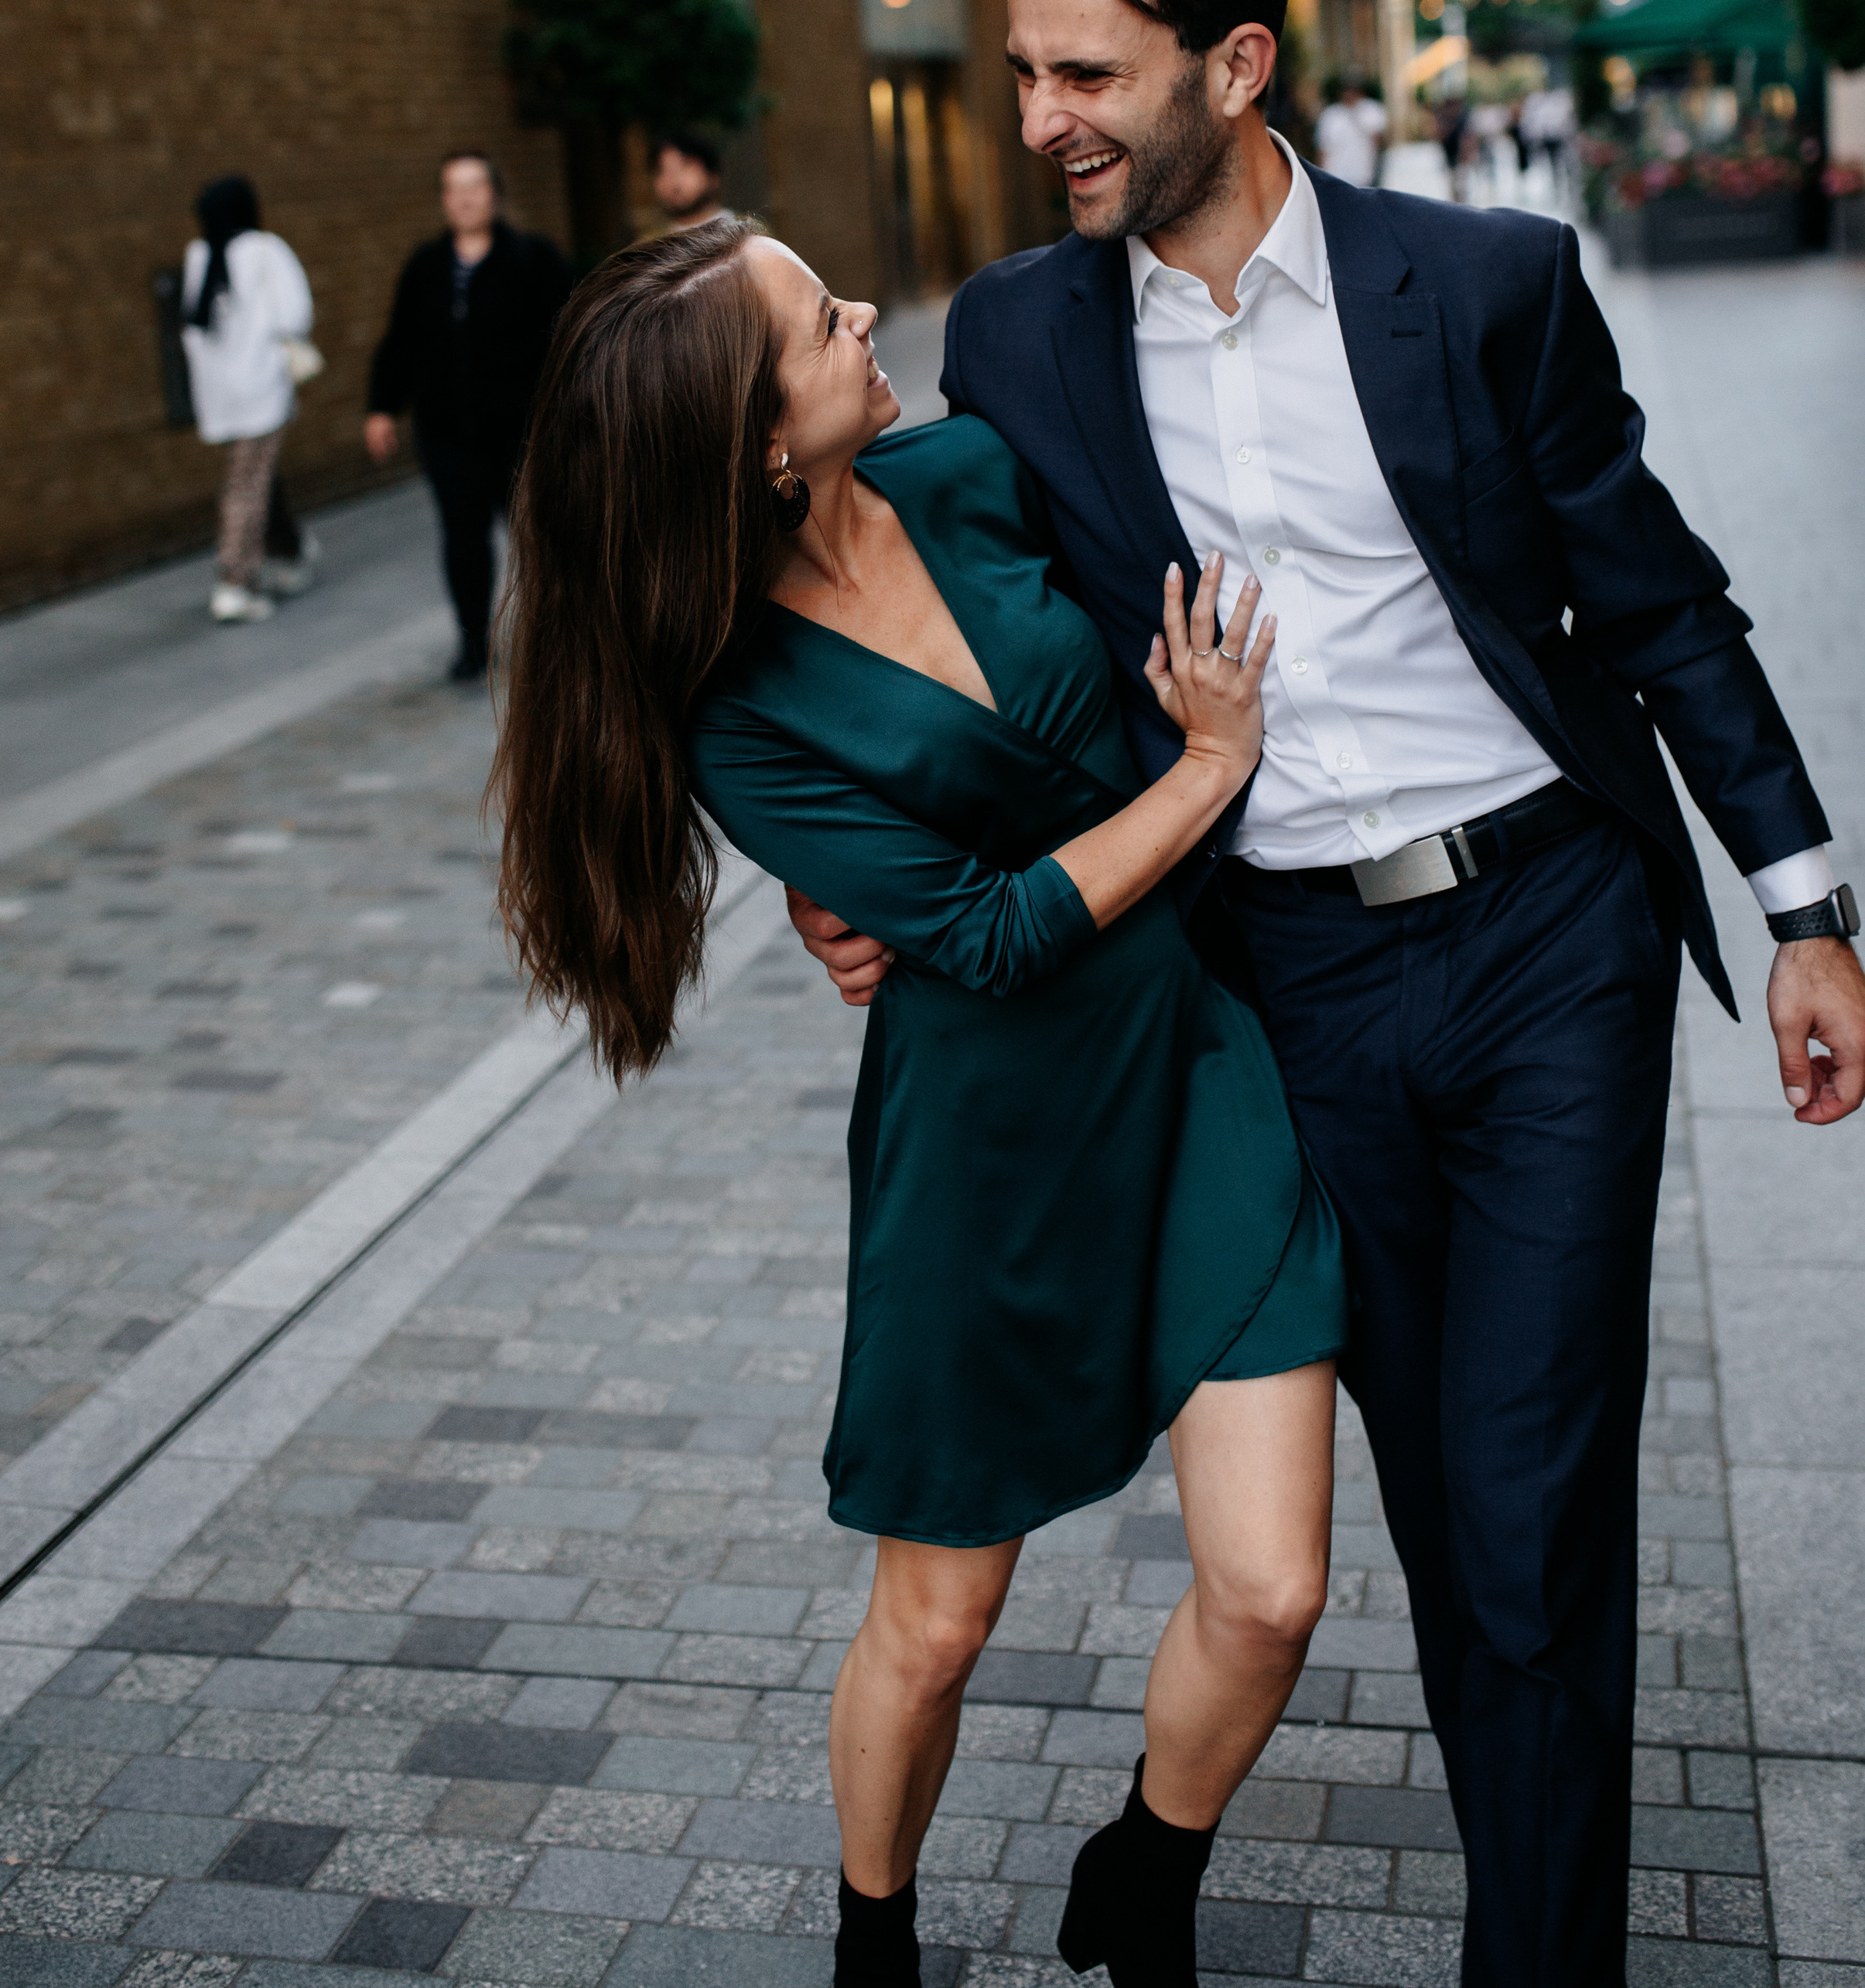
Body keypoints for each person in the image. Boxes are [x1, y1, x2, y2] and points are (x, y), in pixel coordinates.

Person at [791, 0, 1865, 1988]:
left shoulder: (1480, 284)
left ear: (1237, 63)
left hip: (1544, 936)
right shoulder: (1018, 334)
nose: (1041, 121)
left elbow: (1659, 603)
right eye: (1023, 72)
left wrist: (1803, 906)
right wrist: (848, 866)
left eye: (1088, 76)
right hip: (1278, 982)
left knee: (1532, 1491)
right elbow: (920, 604)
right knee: (1454, 1506)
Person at [492, 213, 1346, 1988]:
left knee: (1270, 1590)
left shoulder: (964, 472)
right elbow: (987, 933)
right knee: (941, 1619)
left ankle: (1147, 1871)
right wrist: (1208, 771)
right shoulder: (735, 710)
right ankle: (869, 1935)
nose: (866, 315)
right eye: (821, 321)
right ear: (753, 440)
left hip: (1190, 1062)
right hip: (985, 1147)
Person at [365, 152, 572, 681]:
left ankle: (558, 638)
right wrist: (382, 407)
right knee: (462, 538)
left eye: (474, 185)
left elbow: (569, 338)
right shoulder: (426, 267)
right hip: (448, 432)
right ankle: (471, 641)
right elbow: (401, 341)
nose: (464, 198)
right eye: (453, 188)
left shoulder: (533, 259)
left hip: (521, 432)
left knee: (537, 538)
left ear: (494, 193)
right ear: (444, 199)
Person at [179, 176, 316, 626]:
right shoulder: (264, 249)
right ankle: (235, 583)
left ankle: (291, 551)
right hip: (262, 388)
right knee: (248, 485)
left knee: (258, 475)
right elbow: (295, 314)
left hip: (221, 395)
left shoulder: (198, 255)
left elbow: (192, 330)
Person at [1312, 72, 1385, 186]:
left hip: (1363, 177)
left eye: (1354, 90)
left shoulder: (1372, 110)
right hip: (1335, 176)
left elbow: (1378, 142)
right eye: (1347, 89)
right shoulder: (1330, 115)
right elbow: (1323, 149)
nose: (1350, 94)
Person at [648, 127, 725, 228]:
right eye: (662, 171)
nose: (673, 181)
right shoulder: (653, 238)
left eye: (684, 166)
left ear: (712, 175)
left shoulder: (743, 233)